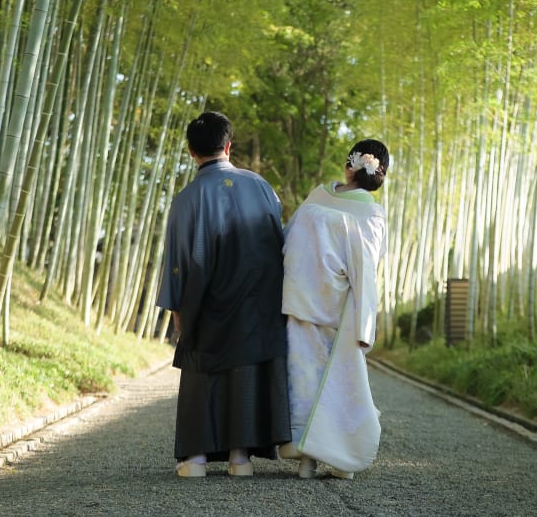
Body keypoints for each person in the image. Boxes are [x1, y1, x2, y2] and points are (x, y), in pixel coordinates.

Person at [156, 111, 291, 478]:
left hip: (208, 299)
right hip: (258, 302)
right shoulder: (262, 187)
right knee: (246, 373)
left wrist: (177, 309)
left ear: (190, 151)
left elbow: (178, 261)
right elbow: (277, 243)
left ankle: (196, 460)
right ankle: (240, 458)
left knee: (203, 371)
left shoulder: (187, 198)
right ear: (228, 146)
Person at [279, 139, 390, 480]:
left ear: (349, 165)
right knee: (342, 381)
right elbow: (368, 267)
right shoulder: (370, 213)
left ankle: (306, 460)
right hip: (342, 307)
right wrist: (366, 321)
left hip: (301, 300)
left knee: (305, 380)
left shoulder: (317, 196)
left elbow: (288, 241)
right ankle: (342, 458)